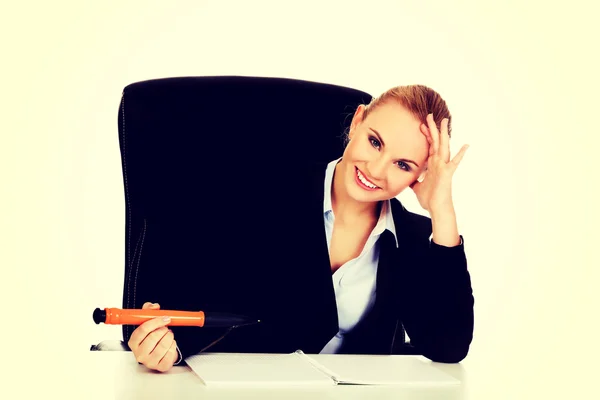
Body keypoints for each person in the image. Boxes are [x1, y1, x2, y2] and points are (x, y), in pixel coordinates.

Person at [127, 84, 475, 372]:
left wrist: (442, 210)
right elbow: (218, 294)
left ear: (420, 175)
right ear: (357, 122)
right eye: (375, 142)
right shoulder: (265, 190)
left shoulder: (411, 238)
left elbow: (447, 346)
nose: (377, 170)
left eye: (403, 164)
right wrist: (166, 346)